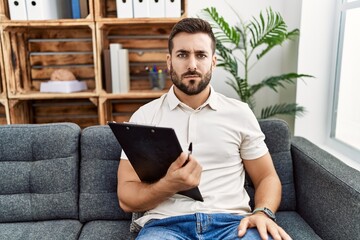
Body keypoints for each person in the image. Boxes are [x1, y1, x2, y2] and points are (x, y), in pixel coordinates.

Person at [117, 17, 292, 240]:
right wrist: (169, 185)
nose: (192, 65)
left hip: (232, 225)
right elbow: (126, 197)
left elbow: (267, 177)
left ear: (213, 61)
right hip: (165, 227)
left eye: (201, 55)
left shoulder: (239, 113)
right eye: (182, 55)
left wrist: (263, 212)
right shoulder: (144, 117)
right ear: (169, 61)